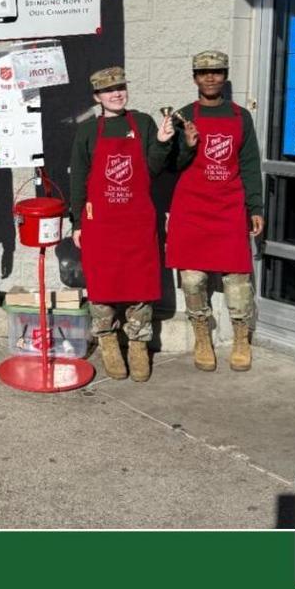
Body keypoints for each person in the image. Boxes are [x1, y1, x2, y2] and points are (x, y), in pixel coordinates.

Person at [69, 66, 174, 382]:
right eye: (108, 90)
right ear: (97, 97)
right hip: (100, 223)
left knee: (141, 284)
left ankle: (139, 344)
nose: (116, 94)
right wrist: (77, 222)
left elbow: (152, 169)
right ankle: (108, 342)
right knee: (101, 284)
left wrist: (162, 142)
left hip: (137, 221)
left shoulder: (142, 123)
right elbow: (79, 180)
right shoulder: (88, 131)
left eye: (120, 87)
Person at [165, 50, 264, 372]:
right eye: (203, 72)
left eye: (217, 71)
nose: (210, 77)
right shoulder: (182, 116)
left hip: (229, 206)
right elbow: (171, 165)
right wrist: (187, 145)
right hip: (191, 208)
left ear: (225, 76)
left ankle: (241, 339)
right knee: (193, 279)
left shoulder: (240, 116)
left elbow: (249, 164)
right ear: (194, 77)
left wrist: (255, 206)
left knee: (237, 279)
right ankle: (202, 337)